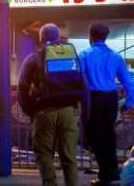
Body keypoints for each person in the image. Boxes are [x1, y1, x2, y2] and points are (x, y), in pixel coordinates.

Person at [19, 23, 86, 186]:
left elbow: (22, 85)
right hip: (68, 112)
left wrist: (28, 109)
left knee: (44, 153)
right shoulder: (71, 56)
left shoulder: (34, 58)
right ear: (58, 37)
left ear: (41, 39)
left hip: (44, 113)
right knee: (69, 157)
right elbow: (83, 84)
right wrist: (82, 110)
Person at [79, 22, 134, 186]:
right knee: (109, 135)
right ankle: (111, 173)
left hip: (93, 98)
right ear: (106, 36)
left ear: (90, 36)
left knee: (93, 137)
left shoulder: (84, 55)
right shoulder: (116, 57)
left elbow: (78, 79)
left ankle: (106, 175)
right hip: (111, 99)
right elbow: (128, 81)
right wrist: (129, 103)